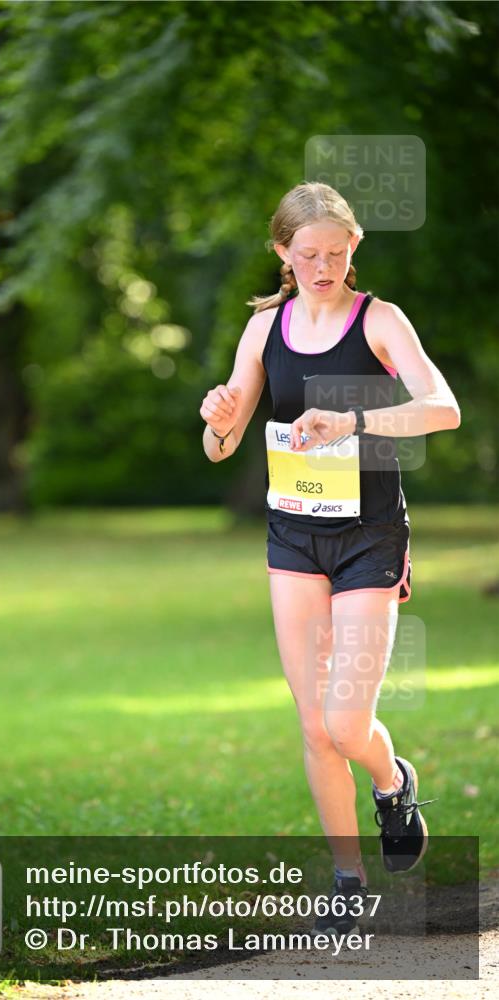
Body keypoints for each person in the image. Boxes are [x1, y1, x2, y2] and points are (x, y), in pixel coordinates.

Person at [200, 181, 461, 936]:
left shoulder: (378, 319)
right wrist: (217, 421)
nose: (323, 267)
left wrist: (350, 417)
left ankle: (391, 779)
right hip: (292, 535)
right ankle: (345, 877)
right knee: (313, 722)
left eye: (336, 254)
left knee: (348, 720)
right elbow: (221, 446)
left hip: (368, 535)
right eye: (307, 254)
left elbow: (441, 407)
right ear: (282, 252)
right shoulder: (263, 331)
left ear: (353, 250)